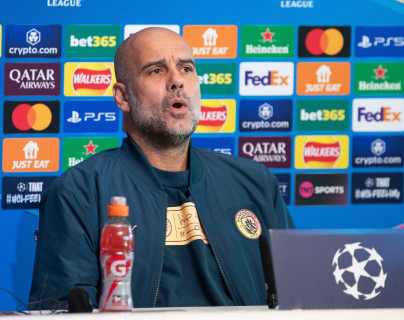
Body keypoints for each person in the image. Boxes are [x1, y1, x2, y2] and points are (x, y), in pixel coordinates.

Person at [28, 27, 294, 310]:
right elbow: (61, 312)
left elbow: (300, 295)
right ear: (123, 97)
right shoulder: (79, 192)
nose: (177, 80)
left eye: (187, 68)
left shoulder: (255, 182)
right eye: (156, 71)